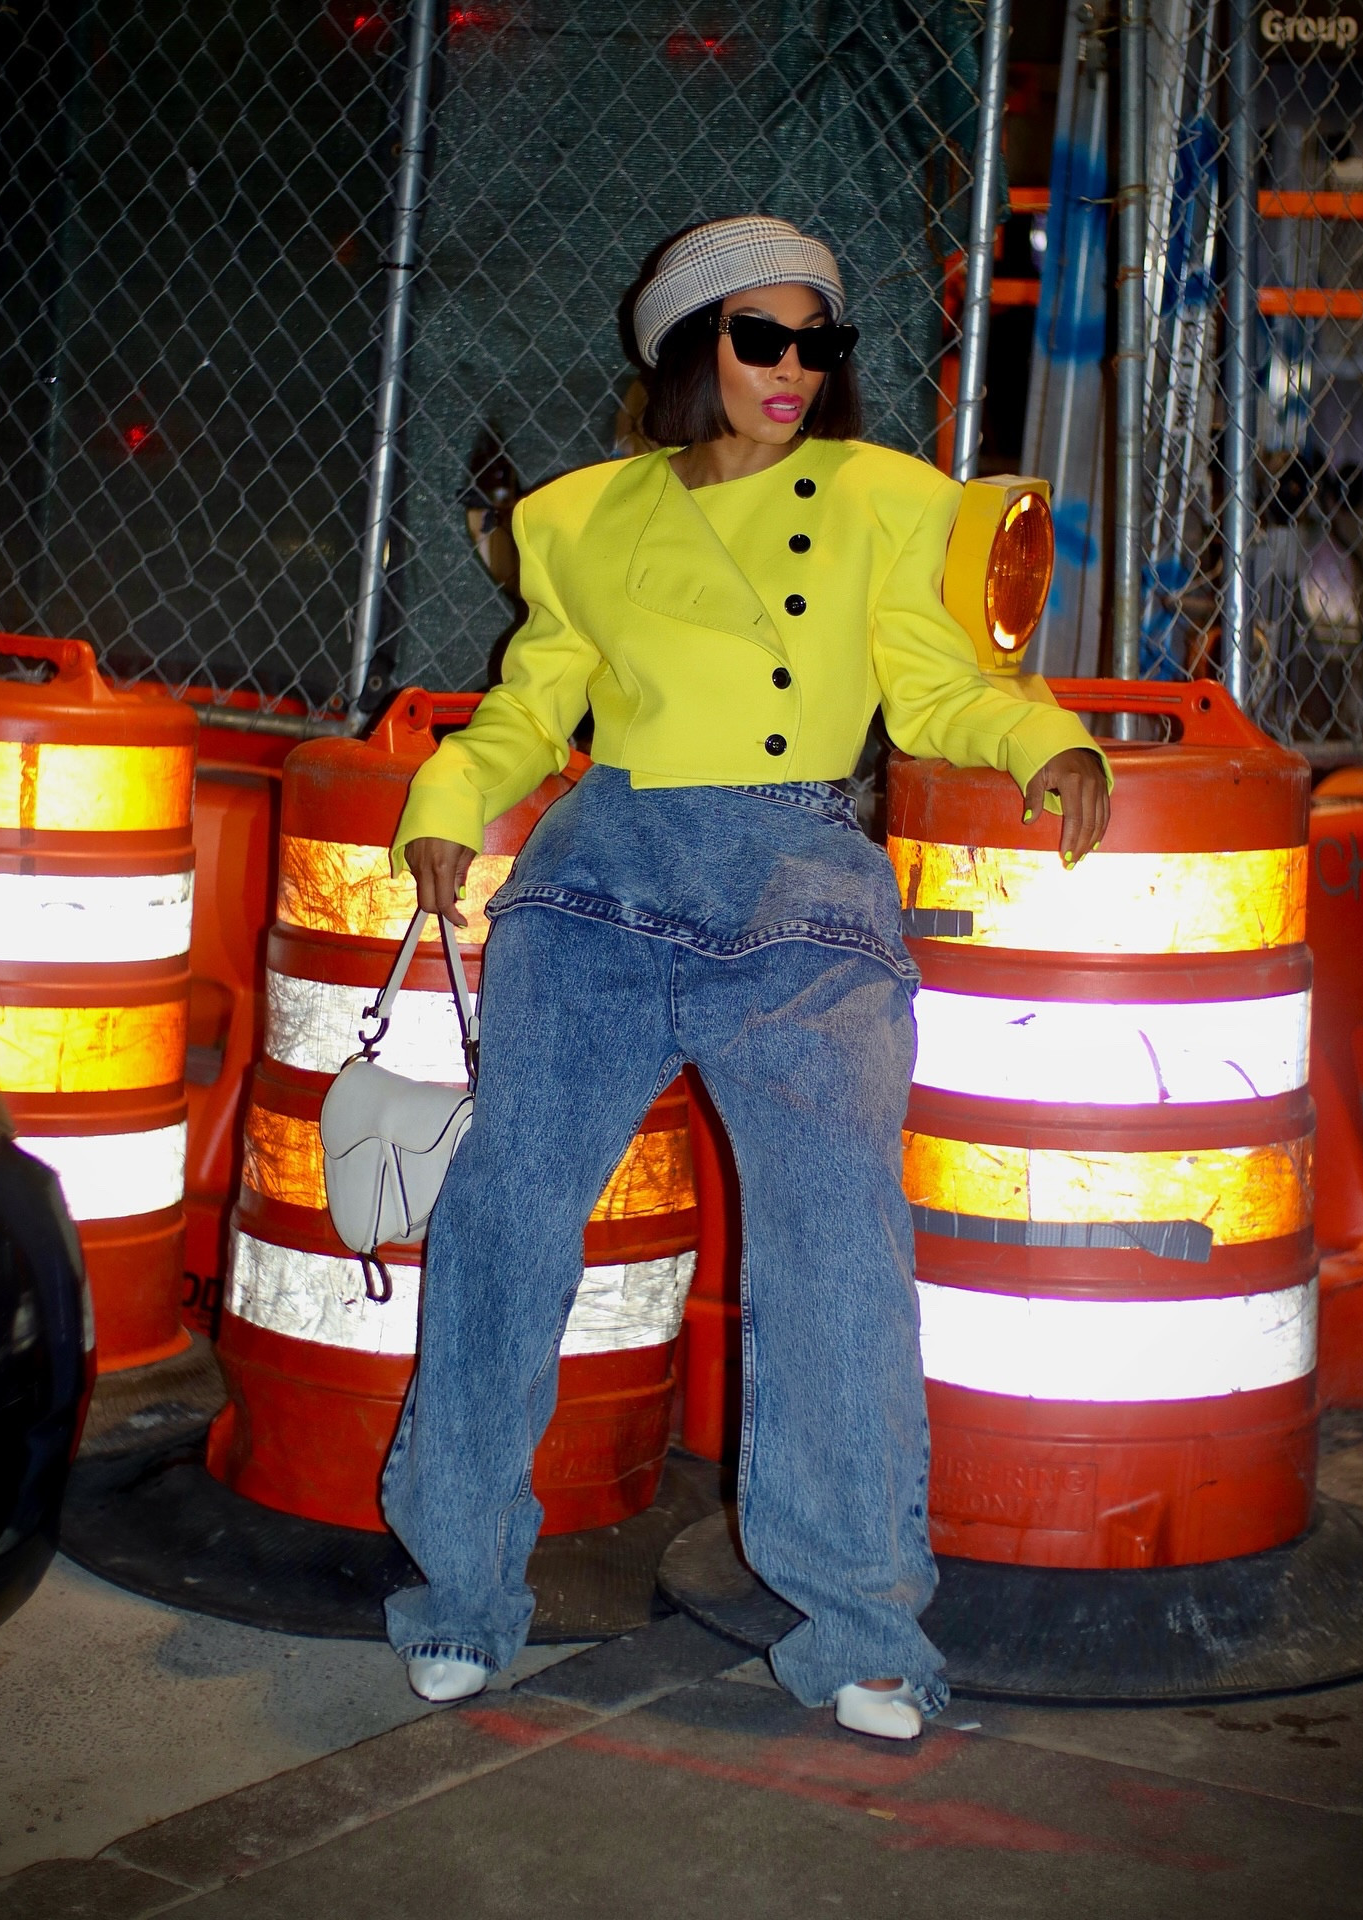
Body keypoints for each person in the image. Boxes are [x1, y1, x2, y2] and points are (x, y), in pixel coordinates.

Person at [382, 216, 1111, 1740]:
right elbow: (536, 708)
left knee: (836, 1228)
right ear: (685, 349)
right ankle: (458, 1586)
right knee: (508, 1203)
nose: (794, 370)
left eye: (818, 343)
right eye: (759, 338)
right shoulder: (580, 519)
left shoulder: (884, 502)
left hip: (798, 880)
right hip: (601, 876)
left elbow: (936, 686)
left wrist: (1042, 740)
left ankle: (860, 1627)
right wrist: (453, 799)